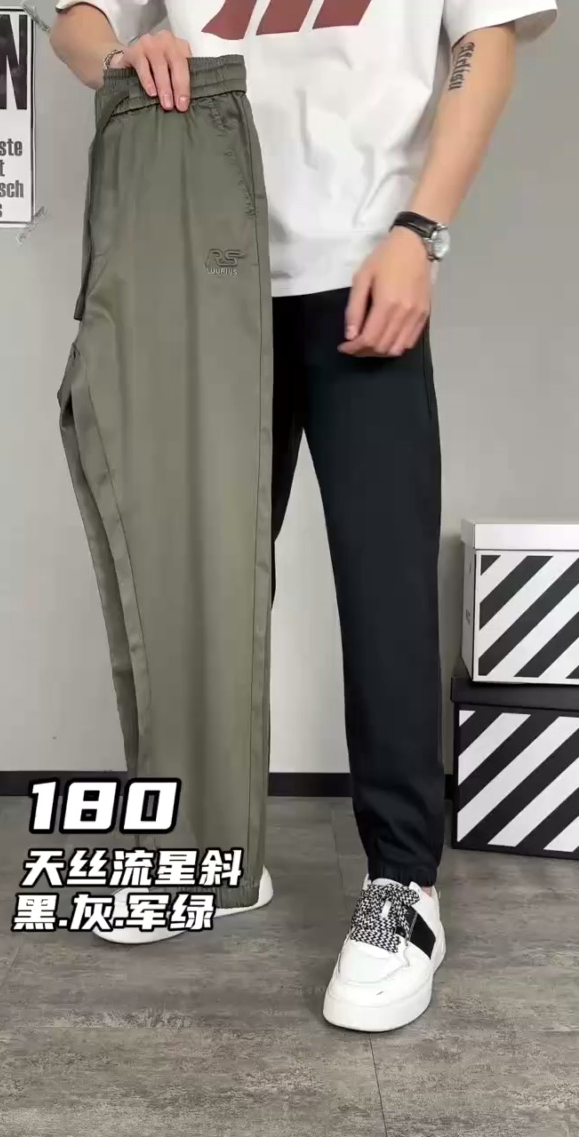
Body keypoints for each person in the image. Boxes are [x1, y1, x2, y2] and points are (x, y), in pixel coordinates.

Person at [50, 0, 557, 1032]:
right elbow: (75, 20)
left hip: (361, 262)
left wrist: (422, 230)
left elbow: (486, 37)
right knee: (194, 569)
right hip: (195, 257)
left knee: (383, 579)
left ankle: (403, 884)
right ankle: (205, 843)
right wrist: (121, 55)